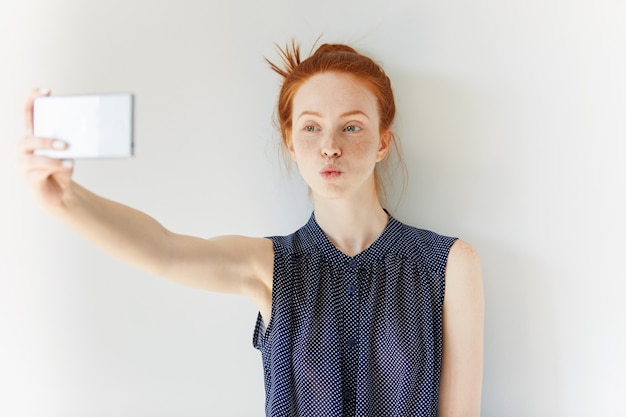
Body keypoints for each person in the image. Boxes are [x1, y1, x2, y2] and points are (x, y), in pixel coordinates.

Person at [18, 42, 484, 417]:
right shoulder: (271, 266)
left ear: (383, 141)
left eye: (352, 128)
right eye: (311, 128)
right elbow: (164, 251)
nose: (329, 147)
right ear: (290, 141)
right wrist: (67, 201)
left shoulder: (448, 265)